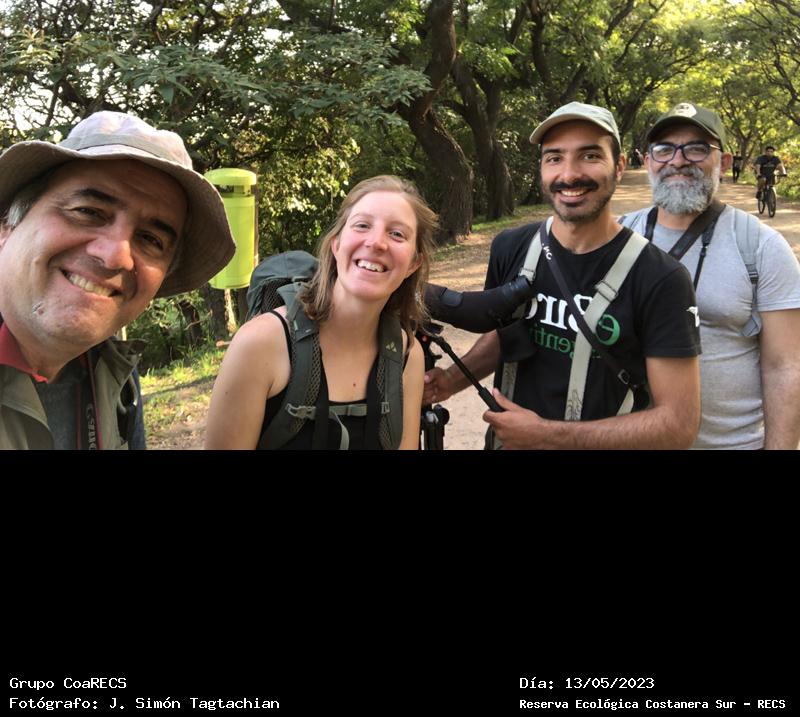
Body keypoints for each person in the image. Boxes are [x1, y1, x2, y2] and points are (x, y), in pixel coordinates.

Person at [423, 102, 701, 449]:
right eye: (554, 158)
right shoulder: (511, 247)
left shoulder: (661, 278)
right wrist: (451, 380)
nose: (569, 175)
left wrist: (547, 435)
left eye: (589, 156)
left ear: (619, 166)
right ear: (541, 167)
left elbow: (678, 425)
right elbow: (506, 334)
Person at [0, 111, 235, 449]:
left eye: (151, 239)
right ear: (7, 225)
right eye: (88, 211)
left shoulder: (115, 375)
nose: (115, 256)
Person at [204, 175, 435, 450]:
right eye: (362, 225)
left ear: (413, 263)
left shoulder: (406, 355)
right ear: (336, 244)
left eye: (397, 234)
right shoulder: (261, 343)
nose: (376, 243)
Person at [620, 102, 800, 449]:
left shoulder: (760, 246)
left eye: (696, 148)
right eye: (664, 149)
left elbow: (785, 366)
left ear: (725, 162)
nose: (678, 160)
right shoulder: (617, 235)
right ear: (649, 161)